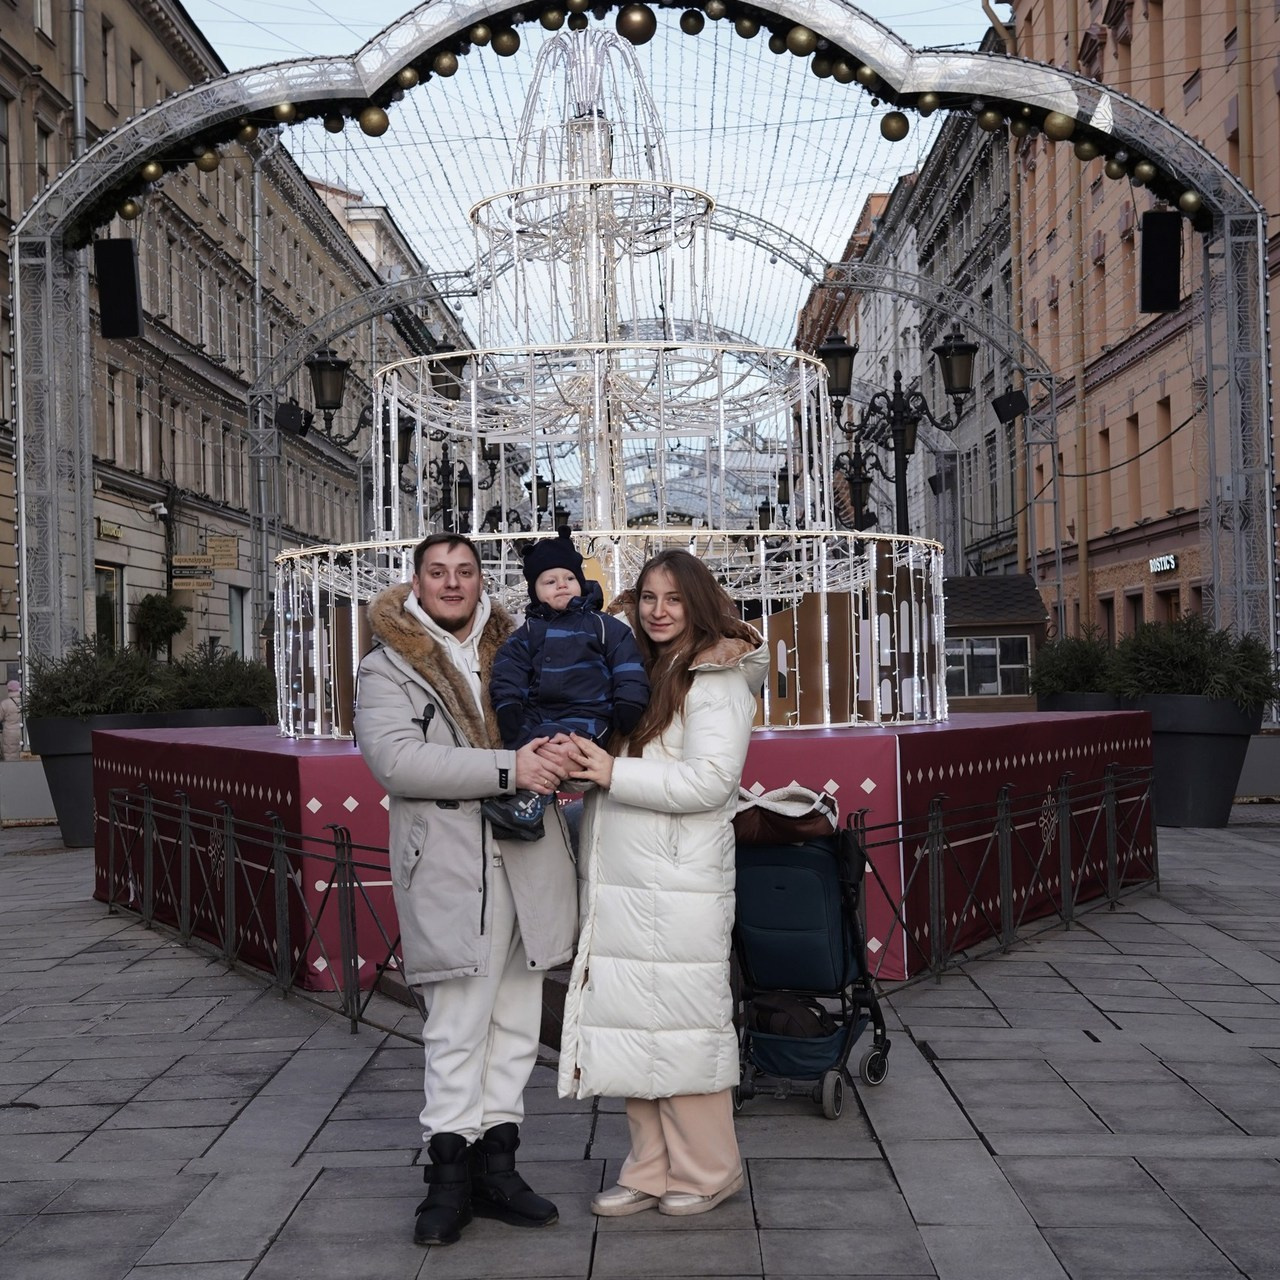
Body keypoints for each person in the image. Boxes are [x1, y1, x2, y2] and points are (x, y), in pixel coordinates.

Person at [354, 532, 579, 1248]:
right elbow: (399, 762)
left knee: (516, 1019)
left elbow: (563, 726)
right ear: (416, 583)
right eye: (437, 572)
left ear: (482, 583)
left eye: (465, 572)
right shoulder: (386, 667)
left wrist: (566, 756)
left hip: (528, 857)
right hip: (452, 866)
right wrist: (512, 767)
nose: (452, 584)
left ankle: (498, 1169)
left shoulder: (526, 648)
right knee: (456, 1025)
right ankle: (448, 1179)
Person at [556, 549, 767, 1218]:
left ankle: (711, 1170)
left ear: (697, 603)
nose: (658, 610)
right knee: (630, 1028)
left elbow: (712, 782)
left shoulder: (717, 679)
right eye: (648, 597)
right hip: (622, 880)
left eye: (674, 598)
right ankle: (649, 1169)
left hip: (680, 882)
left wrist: (613, 775)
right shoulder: (634, 672)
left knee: (683, 1029)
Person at [483, 528, 650, 841]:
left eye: (569, 579)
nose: (561, 585)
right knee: (525, 748)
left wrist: (629, 701)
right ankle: (516, 798)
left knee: (565, 753)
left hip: (588, 714)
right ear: (535, 592)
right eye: (550, 581)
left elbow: (627, 662)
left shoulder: (603, 626)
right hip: (539, 715)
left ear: (580, 583)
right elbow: (509, 669)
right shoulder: (527, 633)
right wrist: (508, 704)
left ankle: (532, 803)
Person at [0, 680, 22, 762]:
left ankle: (12, 772)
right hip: (21, 731)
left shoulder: (4, 703)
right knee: (21, 751)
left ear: (8, 690)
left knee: (10, 754)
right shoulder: (24, 702)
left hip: (9, 732)